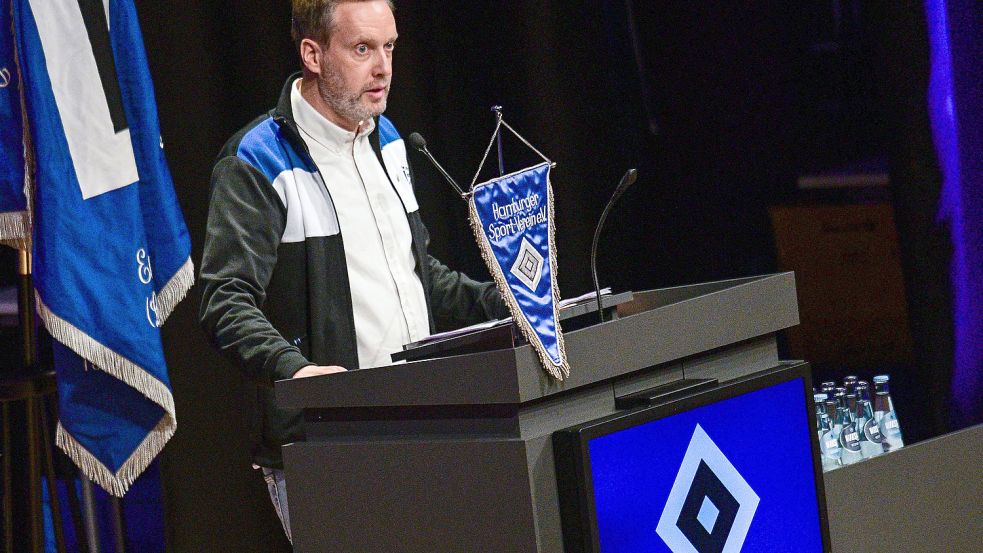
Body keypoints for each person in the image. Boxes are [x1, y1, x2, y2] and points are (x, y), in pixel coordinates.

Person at [198, 0, 505, 541]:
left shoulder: (388, 141)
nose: (383, 68)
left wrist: (509, 303)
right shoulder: (258, 159)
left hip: (427, 427)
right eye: (362, 48)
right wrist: (293, 369)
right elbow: (225, 298)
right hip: (329, 443)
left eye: (389, 47)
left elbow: (418, 276)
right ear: (312, 54)